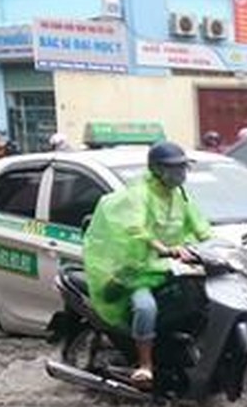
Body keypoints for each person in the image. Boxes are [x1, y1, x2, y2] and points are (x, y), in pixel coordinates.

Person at [82, 142, 213, 388]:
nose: (180, 173)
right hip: (139, 270)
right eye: (174, 168)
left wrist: (216, 246)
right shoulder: (140, 194)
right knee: (146, 308)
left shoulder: (180, 195)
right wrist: (162, 248)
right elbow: (135, 228)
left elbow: (201, 227)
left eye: (183, 167)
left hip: (172, 269)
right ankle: (145, 365)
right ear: (157, 169)